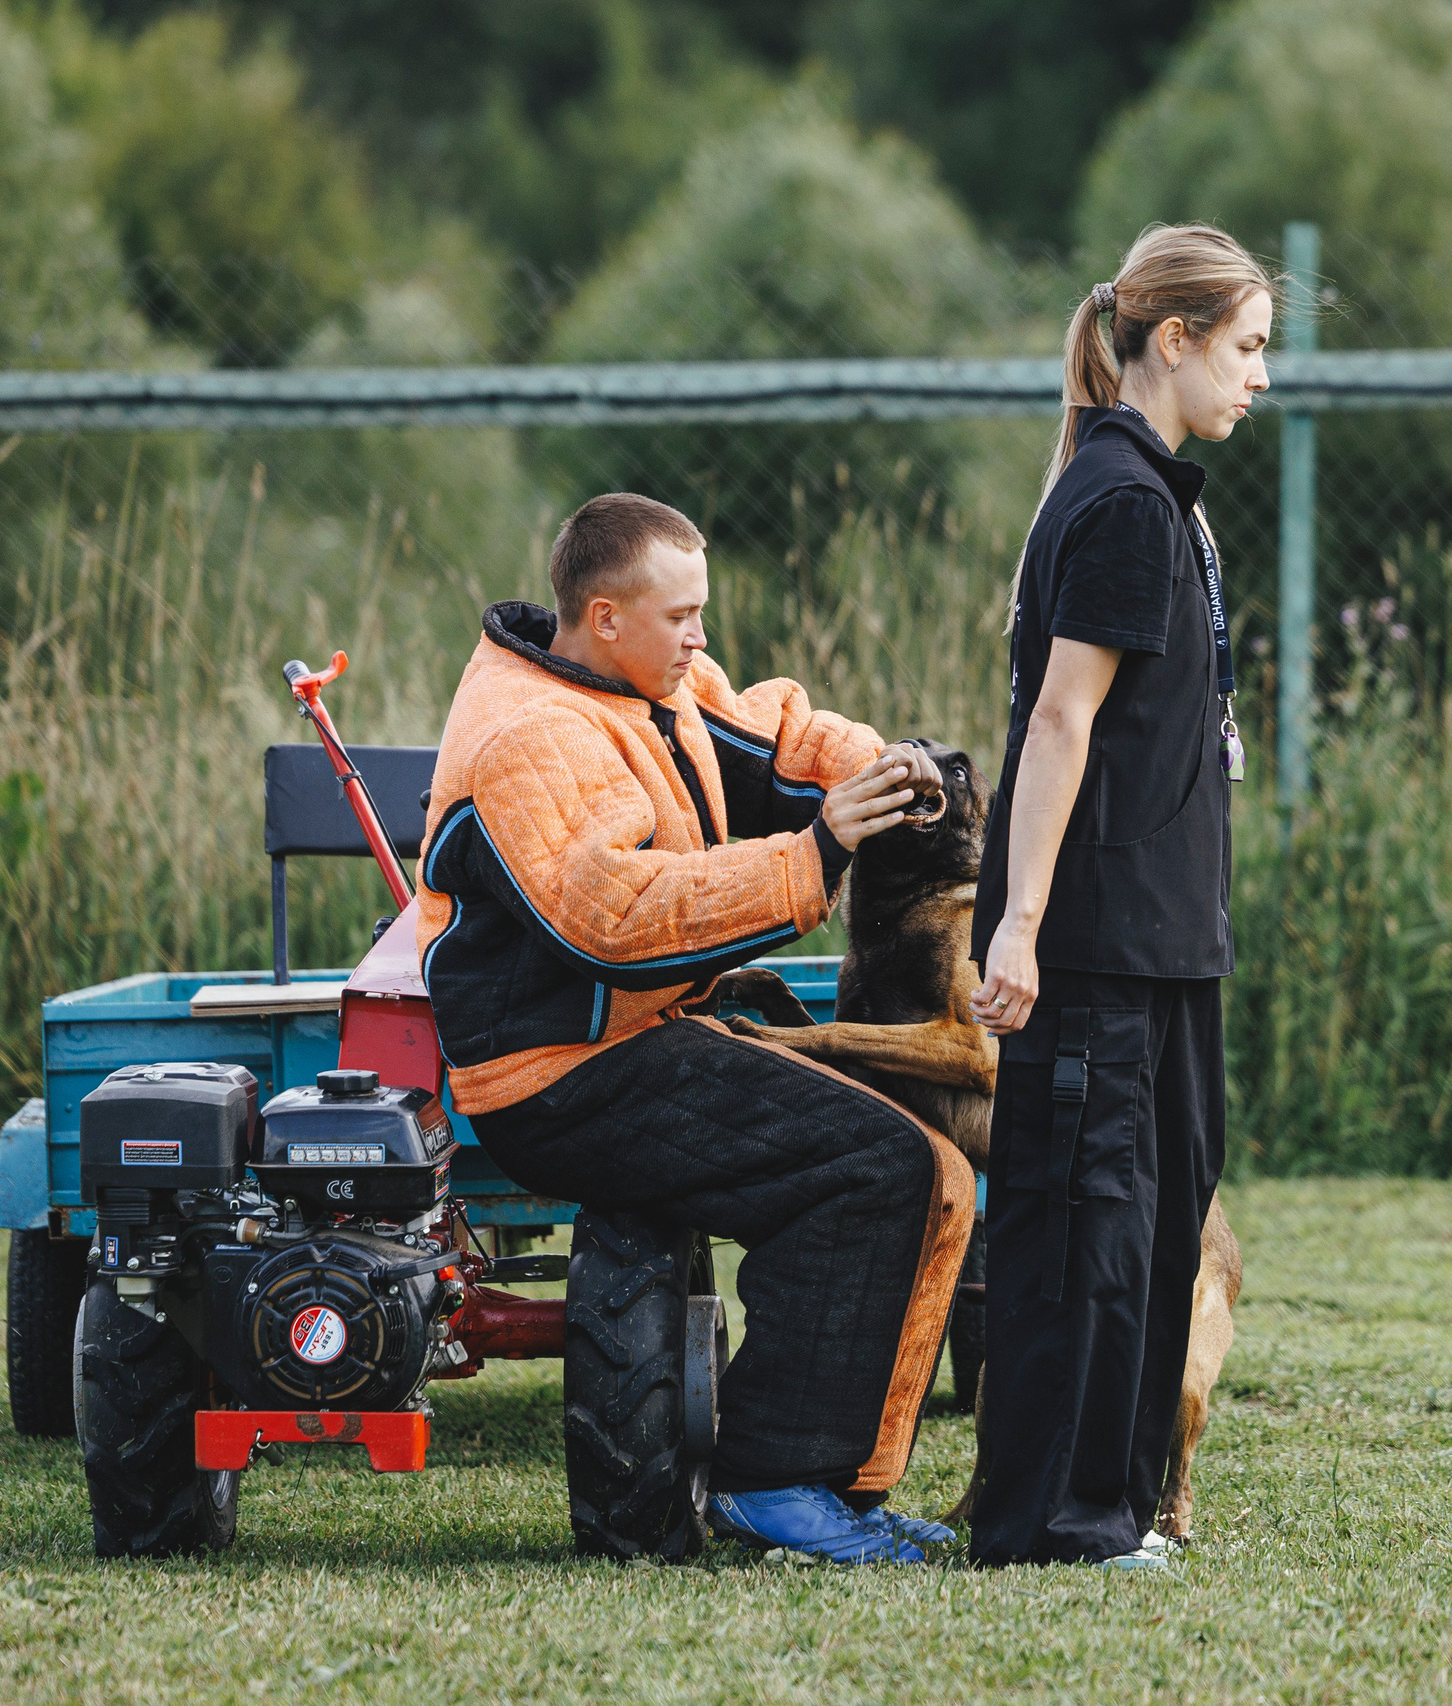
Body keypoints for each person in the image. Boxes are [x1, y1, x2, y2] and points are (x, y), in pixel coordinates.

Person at [416, 492, 973, 1565]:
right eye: (681, 616)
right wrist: (812, 855)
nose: (699, 637)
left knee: (925, 1168)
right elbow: (612, 919)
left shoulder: (645, 678)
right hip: (559, 1074)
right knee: (880, 1168)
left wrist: (886, 768)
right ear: (604, 615)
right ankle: (773, 1483)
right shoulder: (530, 737)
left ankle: (833, 1488)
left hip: (645, 1033)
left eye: (700, 611)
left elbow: (774, 736)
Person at [965, 224, 1274, 1569]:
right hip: (1094, 942)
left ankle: (1114, 1504)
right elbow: (1058, 723)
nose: (1261, 374)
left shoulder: (1155, 497)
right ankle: (1056, 1523)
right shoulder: (1123, 504)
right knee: (1086, 1231)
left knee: (1156, 1217)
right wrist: (1021, 922)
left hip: (1168, 941)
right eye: (1247, 346)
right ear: (1174, 339)